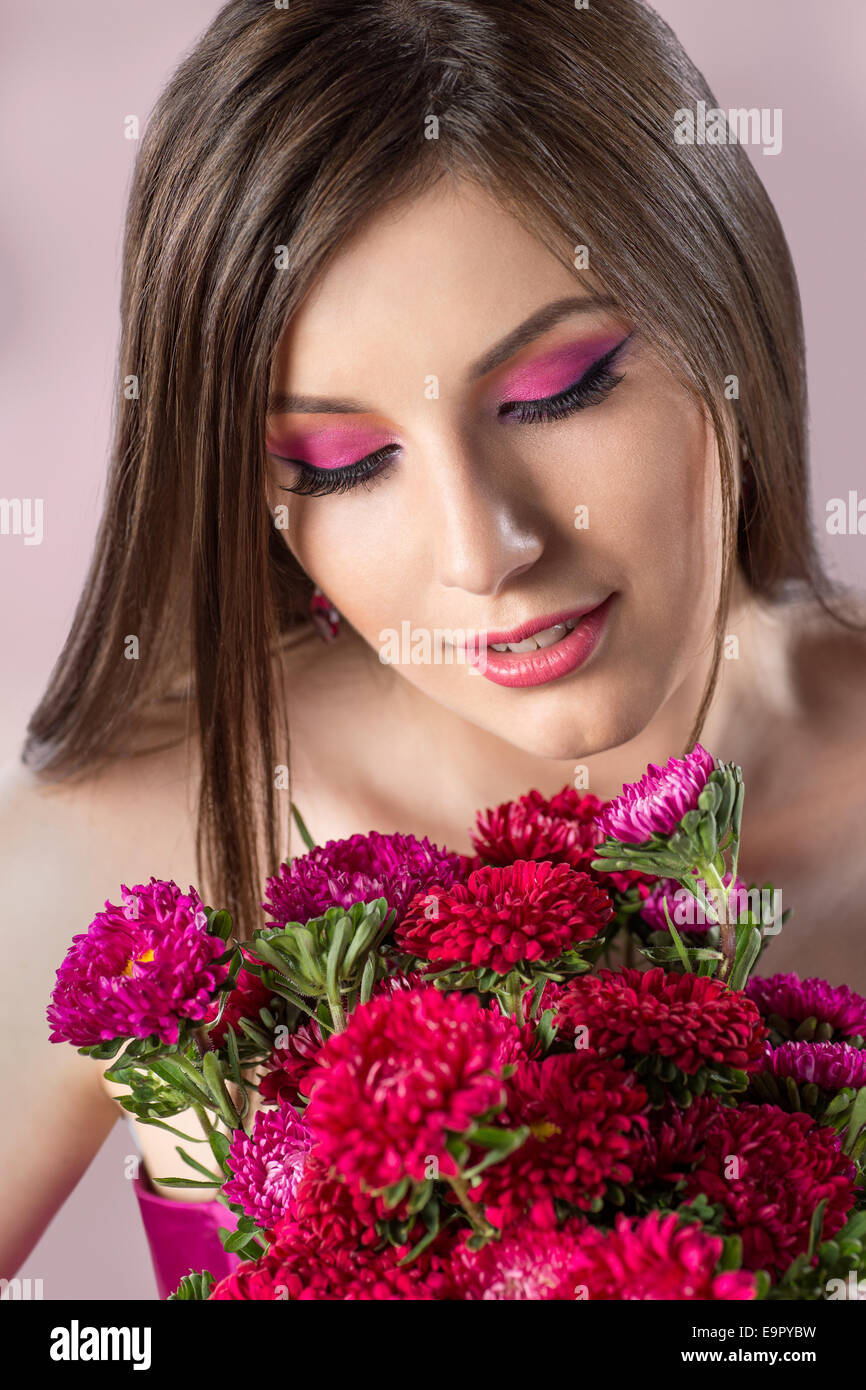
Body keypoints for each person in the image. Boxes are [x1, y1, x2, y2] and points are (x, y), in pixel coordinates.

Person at [2, 0, 864, 1290]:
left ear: (726, 311)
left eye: (556, 391)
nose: (485, 551)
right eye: (341, 463)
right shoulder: (136, 853)